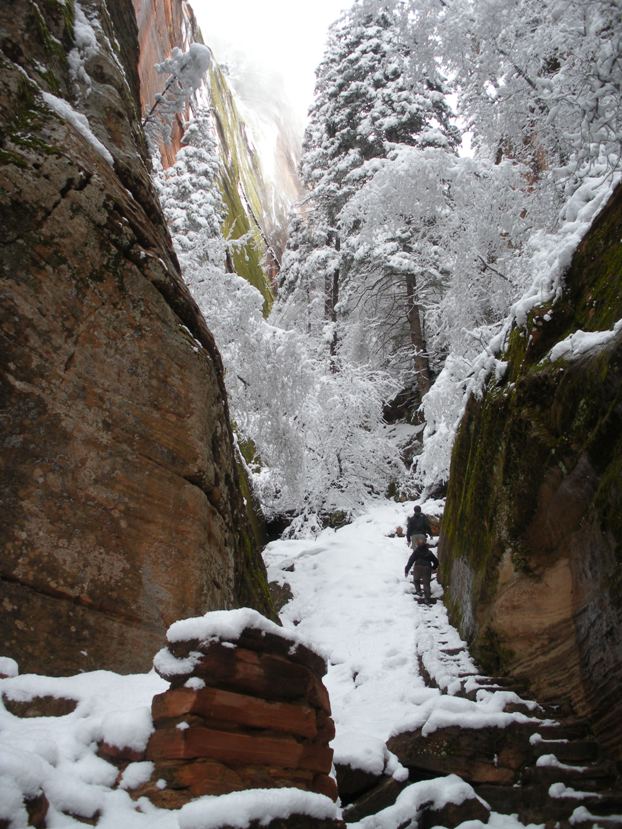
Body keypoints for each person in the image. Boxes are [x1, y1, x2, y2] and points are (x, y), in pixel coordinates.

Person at [404, 537, 439, 602]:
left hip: (417, 567)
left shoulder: (416, 552)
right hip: (427, 568)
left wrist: (407, 569)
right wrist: (433, 568)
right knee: (426, 583)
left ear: (417, 545)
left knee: (416, 580)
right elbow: (436, 562)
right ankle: (427, 597)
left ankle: (418, 591)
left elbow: (411, 561)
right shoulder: (429, 552)